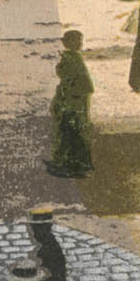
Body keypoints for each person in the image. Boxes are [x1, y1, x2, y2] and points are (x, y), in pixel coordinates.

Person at [47, 30, 95, 178]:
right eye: (78, 41)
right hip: (75, 102)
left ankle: (62, 162)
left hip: (69, 100)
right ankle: (72, 166)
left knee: (66, 131)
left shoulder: (67, 58)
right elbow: (85, 83)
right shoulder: (74, 59)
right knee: (75, 133)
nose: (81, 44)